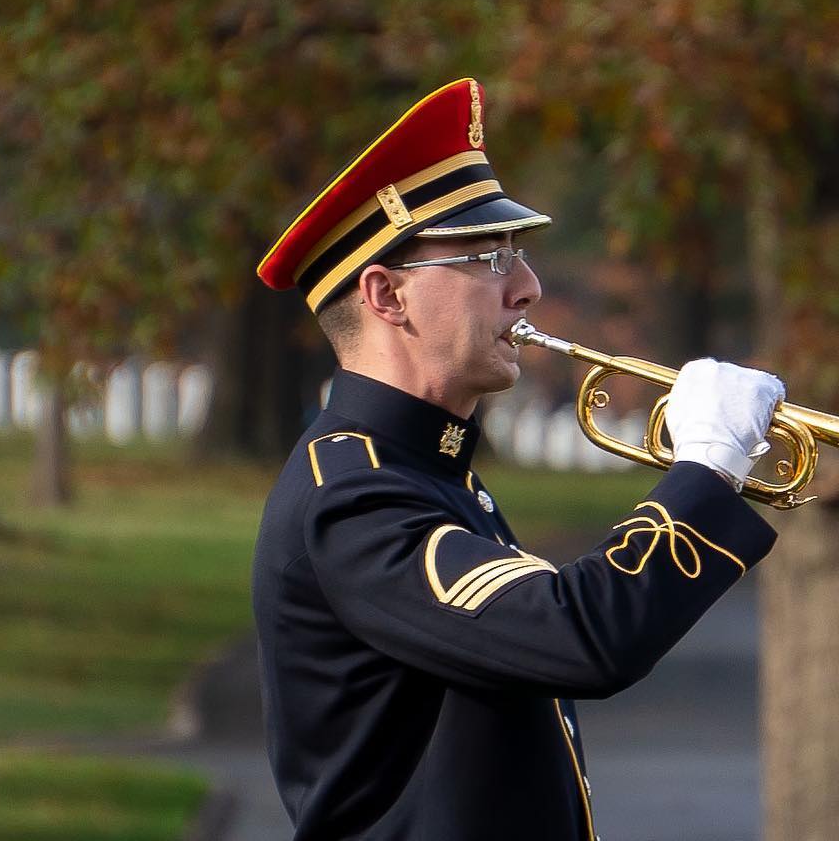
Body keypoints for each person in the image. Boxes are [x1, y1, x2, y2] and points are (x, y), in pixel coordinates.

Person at [252, 78, 785, 840]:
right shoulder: (354, 499)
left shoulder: (430, 475)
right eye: (489, 257)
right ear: (386, 294)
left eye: (519, 254)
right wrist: (704, 470)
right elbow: (580, 636)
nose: (529, 287)